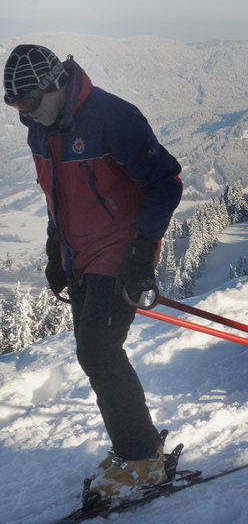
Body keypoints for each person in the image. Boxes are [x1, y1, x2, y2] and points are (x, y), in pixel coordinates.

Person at [3, 45, 183, 499]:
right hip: (77, 257)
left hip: (120, 253)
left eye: (29, 102)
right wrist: (54, 252)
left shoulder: (112, 117)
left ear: (55, 85)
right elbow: (56, 197)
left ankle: (142, 459)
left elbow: (165, 181)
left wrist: (142, 252)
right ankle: (135, 450)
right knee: (95, 354)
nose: (25, 113)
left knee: (98, 352)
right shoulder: (39, 130)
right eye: (16, 106)